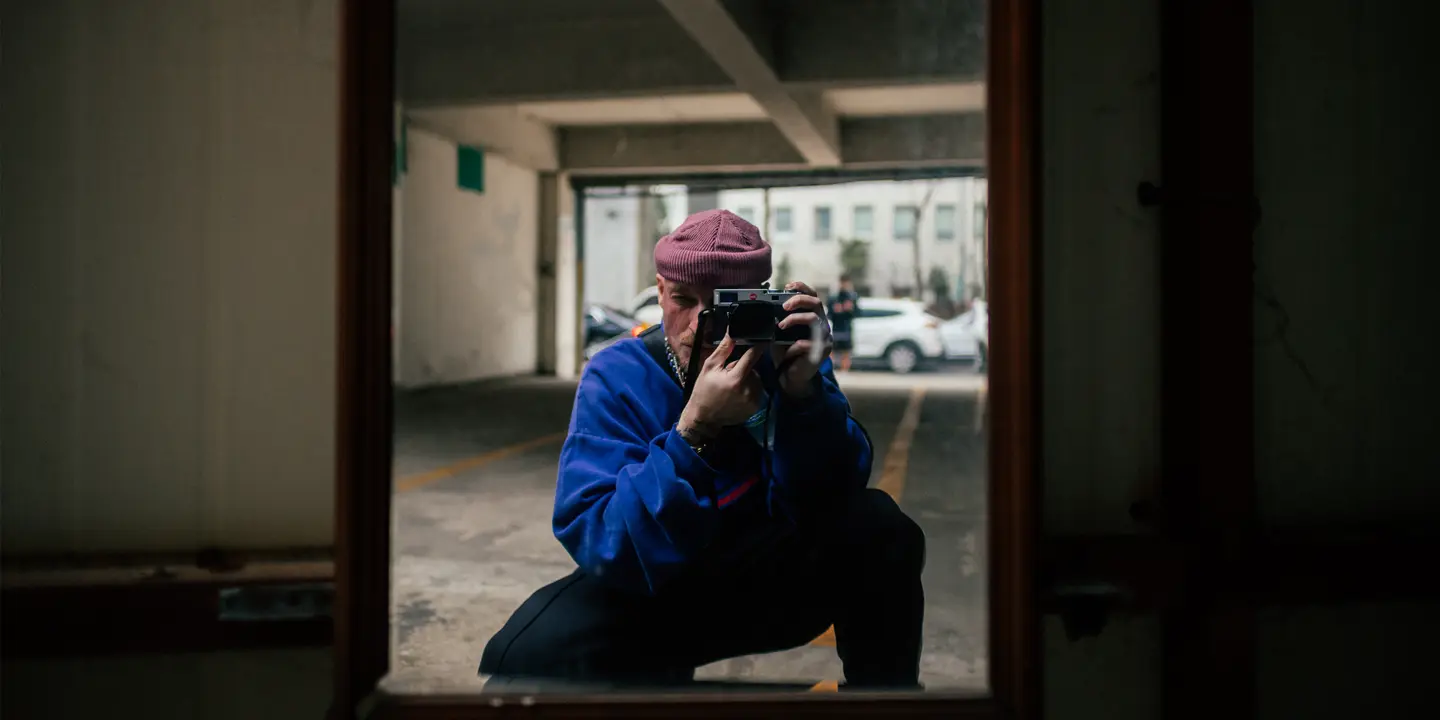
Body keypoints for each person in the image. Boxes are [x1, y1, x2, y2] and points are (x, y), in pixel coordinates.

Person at [479, 209, 926, 690]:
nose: (700, 325)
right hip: (661, 586)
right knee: (524, 657)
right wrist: (694, 430)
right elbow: (599, 537)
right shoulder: (618, 373)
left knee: (882, 524)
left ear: (765, 300)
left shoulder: (787, 357)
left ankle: (886, 701)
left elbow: (835, 499)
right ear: (659, 290)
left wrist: (804, 401)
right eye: (683, 300)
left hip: (773, 583)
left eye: (726, 307)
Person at [829, 274, 860, 371]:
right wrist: (835, 310)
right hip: (836, 329)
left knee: (846, 352)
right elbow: (828, 314)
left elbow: (858, 313)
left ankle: (845, 371)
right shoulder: (833, 298)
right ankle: (831, 371)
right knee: (832, 351)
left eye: (846, 283)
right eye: (842, 282)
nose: (844, 285)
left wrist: (850, 309)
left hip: (847, 329)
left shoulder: (853, 297)